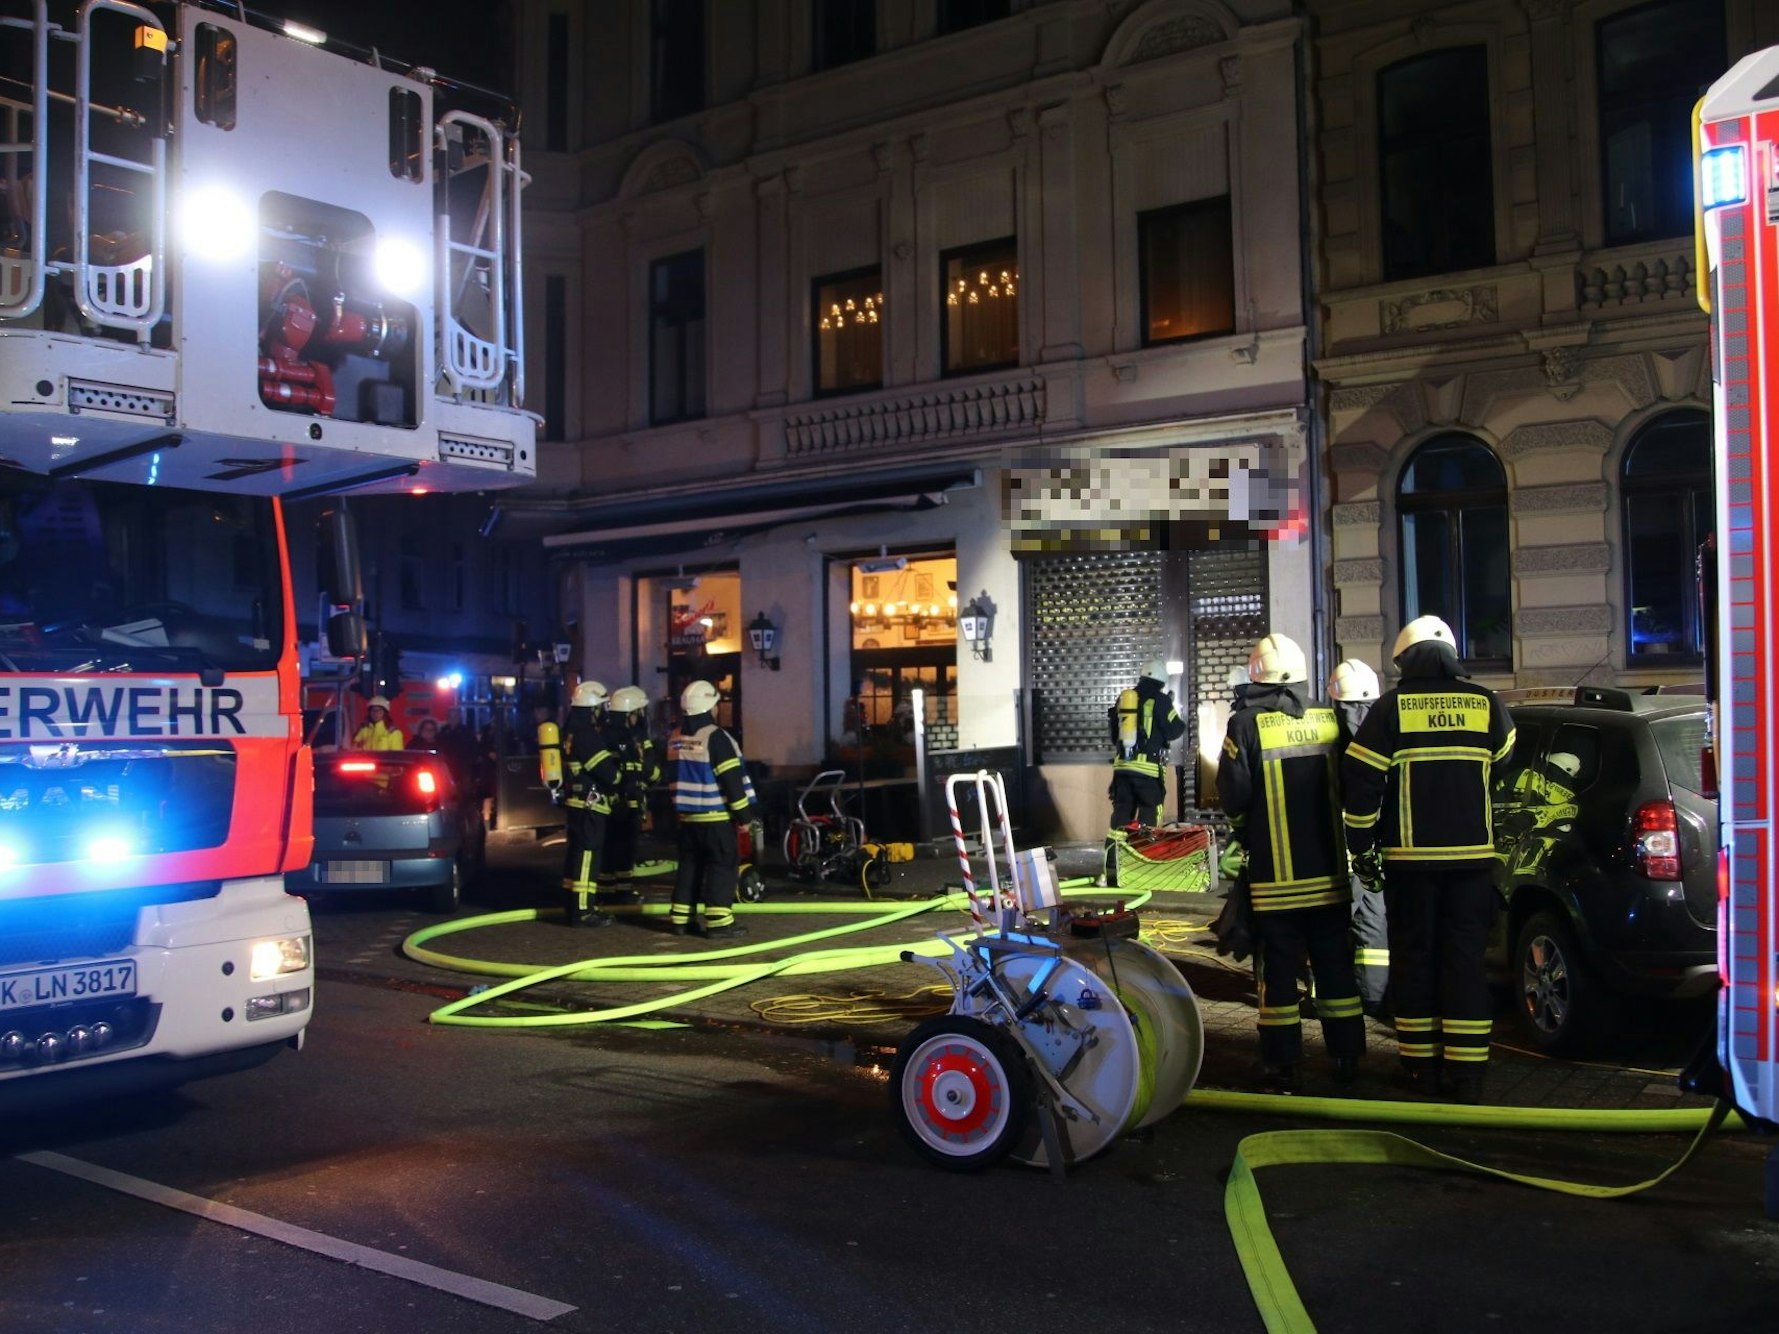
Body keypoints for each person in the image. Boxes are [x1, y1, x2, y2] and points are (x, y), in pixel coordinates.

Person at [1341, 615, 1514, 1104]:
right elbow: (1504, 760)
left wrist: (1361, 846)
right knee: (1465, 963)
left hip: (1410, 864)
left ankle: (1422, 1069)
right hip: (1473, 864)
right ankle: (1469, 1074)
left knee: (1415, 960)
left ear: (1404, 662)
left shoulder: (1390, 709)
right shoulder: (1485, 703)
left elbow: (1362, 782)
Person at [1217, 633, 1365, 1090]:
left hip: (1275, 881)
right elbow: (1353, 783)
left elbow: (1234, 795)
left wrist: (1244, 833)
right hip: (1330, 876)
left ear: (1256, 677)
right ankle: (1347, 1058)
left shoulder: (1245, 724)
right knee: (1335, 964)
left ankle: (1283, 1064)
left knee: (1278, 970)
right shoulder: (1329, 718)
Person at [668, 680, 761, 939]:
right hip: (716, 817)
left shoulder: (675, 738)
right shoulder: (716, 737)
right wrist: (744, 817)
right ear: (710, 707)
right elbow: (731, 781)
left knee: (689, 867)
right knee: (722, 865)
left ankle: (681, 919)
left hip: (687, 819)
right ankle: (719, 922)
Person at [1329, 658, 1389, 1018]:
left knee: (1334, 924)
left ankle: (1329, 995)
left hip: (1339, 846)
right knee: (1374, 920)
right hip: (1375, 845)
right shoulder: (1387, 729)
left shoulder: (1327, 736)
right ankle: (1374, 995)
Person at [1103, 659, 1186, 887]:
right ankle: (1142, 866)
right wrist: (1169, 706)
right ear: (1161, 680)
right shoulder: (1160, 700)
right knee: (1149, 816)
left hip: (1122, 770)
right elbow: (1175, 730)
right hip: (1148, 772)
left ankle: (1111, 868)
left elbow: (1114, 736)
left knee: (1120, 817)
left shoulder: (1124, 699)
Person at [561, 680, 623, 928]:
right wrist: (618, 773)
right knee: (587, 856)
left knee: (575, 855)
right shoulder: (586, 735)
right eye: (601, 707)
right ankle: (583, 910)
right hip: (590, 806)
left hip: (576, 803)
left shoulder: (570, 731)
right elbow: (609, 774)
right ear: (593, 708)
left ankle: (572, 904)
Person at [598, 685, 661, 905]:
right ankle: (623, 891)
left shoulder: (603, 734)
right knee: (626, 848)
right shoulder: (634, 737)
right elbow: (648, 769)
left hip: (608, 802)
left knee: (609, 846)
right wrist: (654, 777)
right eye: (638, 712)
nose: (640, 717)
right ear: (630, 713)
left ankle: (606, 890)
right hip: (629, 800)